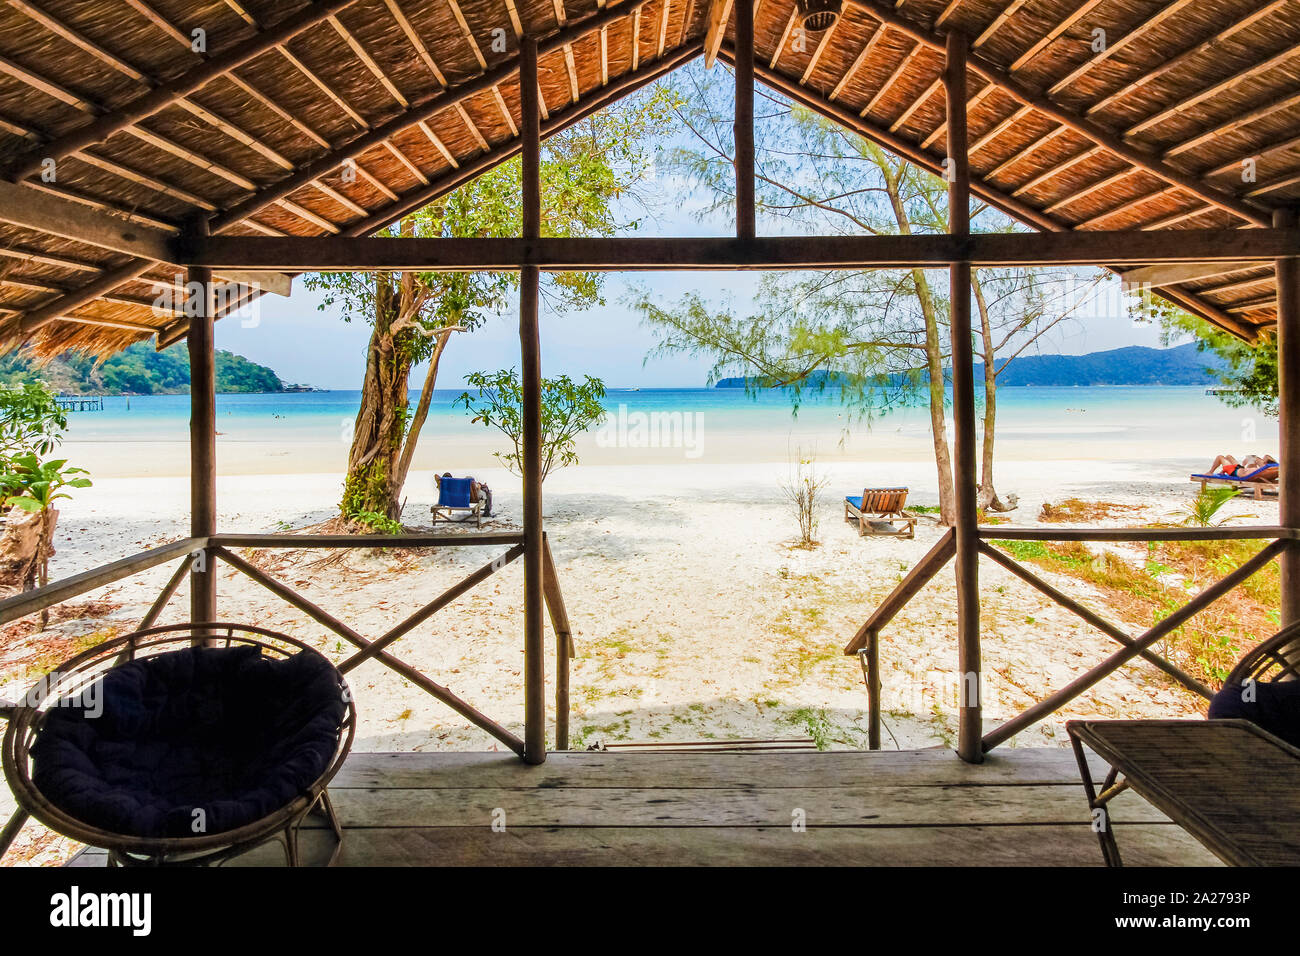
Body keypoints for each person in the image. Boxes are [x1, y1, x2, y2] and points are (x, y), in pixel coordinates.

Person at [1206, 454, 1278, 479]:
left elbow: (1253, 459)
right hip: (1240, 469)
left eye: (1263, 460)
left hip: (1234, 471)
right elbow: (1266, 457)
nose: (1262, 459)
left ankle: (1210, 472)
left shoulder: (1262, 468)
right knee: (1228, 456)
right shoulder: (1264, 469)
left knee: (1220, 457)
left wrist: (1247, 462)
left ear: (1265, 462)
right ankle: (1222, 471)